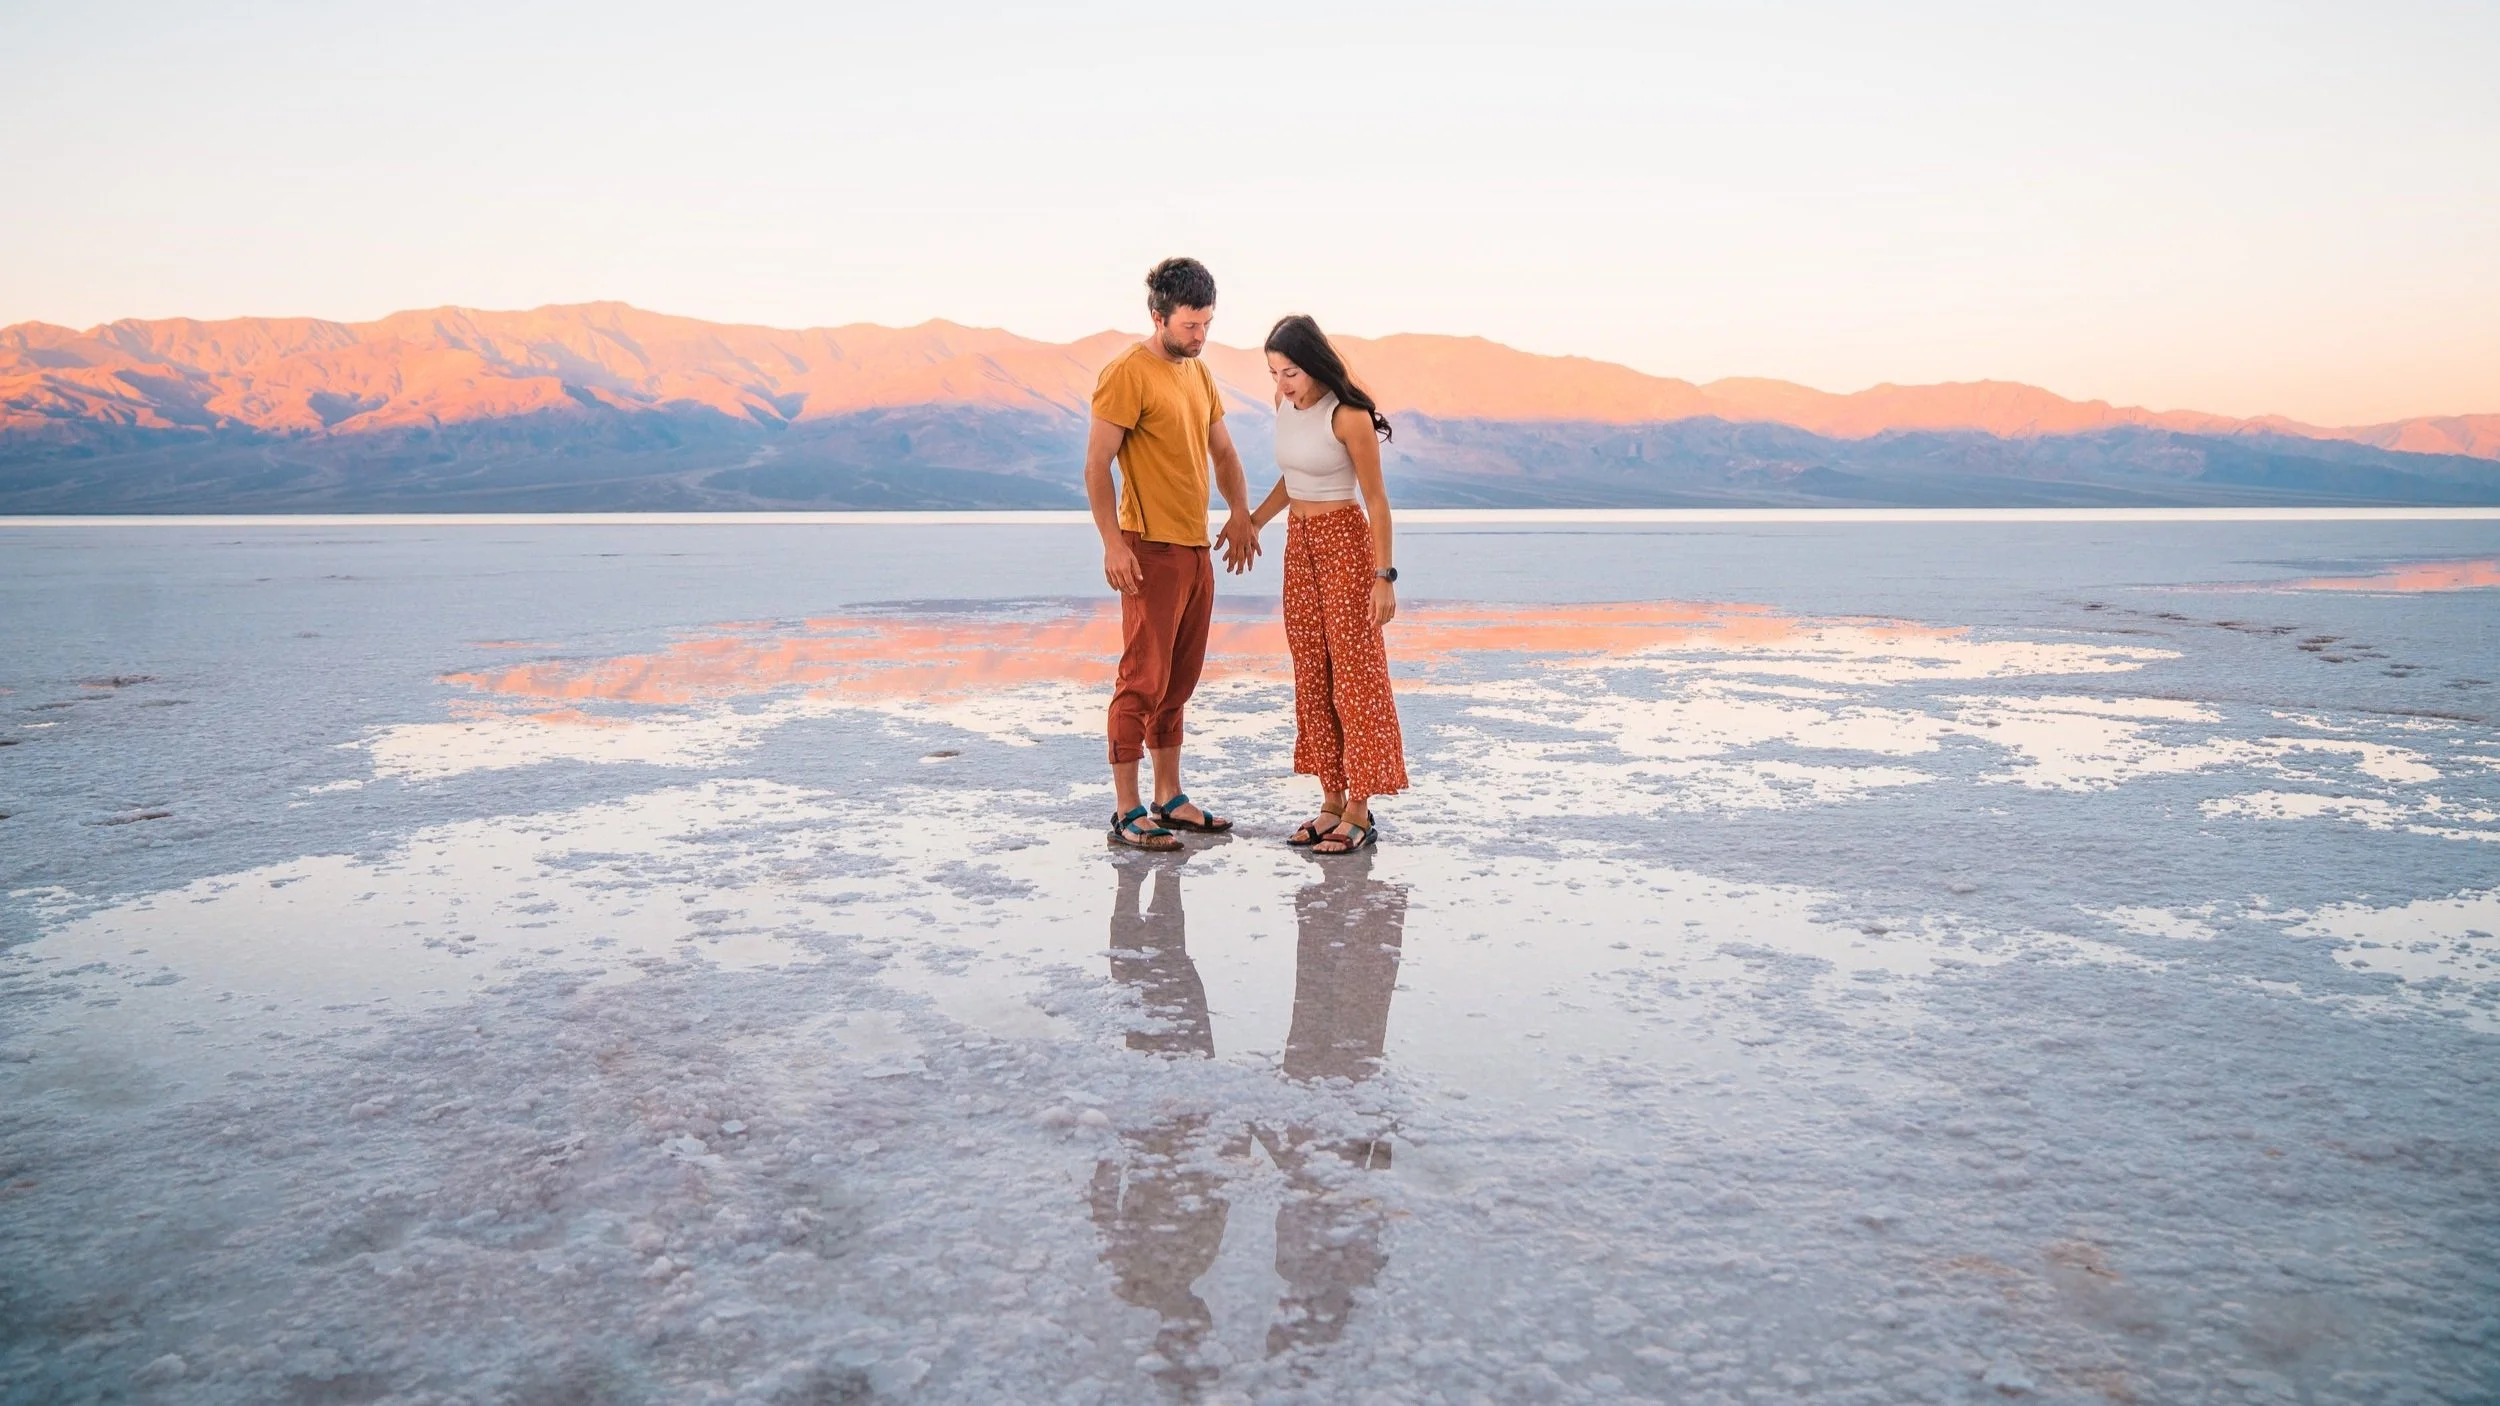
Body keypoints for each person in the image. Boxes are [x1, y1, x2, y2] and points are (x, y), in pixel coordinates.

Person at [1085, 257, 1262, 851]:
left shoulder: (1198, 373)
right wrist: (1112, 543)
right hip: (1147, 547)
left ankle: (1169, 796)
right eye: (1190, 325)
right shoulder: (1126, 374)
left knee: (1179, 681)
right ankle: (1127, 809)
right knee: (1142, 678)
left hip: (1194, 547)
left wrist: (1240, 512)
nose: (1200, 336)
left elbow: (1225, 452)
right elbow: (1096, 465)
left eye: (1207, 324)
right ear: (1158, 316)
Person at [1243, 315, 1409, 854]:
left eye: (1289, 373)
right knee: (1312, 671)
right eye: (1273, 374)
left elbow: (1377, 501)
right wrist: (1253, 520)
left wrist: (1383, 577)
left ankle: (1360, 809)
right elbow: (1293, 481)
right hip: (1301, 545)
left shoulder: (1348, 416)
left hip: (1345, 543)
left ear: (1312, 364)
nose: (1281, 385)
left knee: (1353, 676)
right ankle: (1330, 801)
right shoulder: (1284, 408)